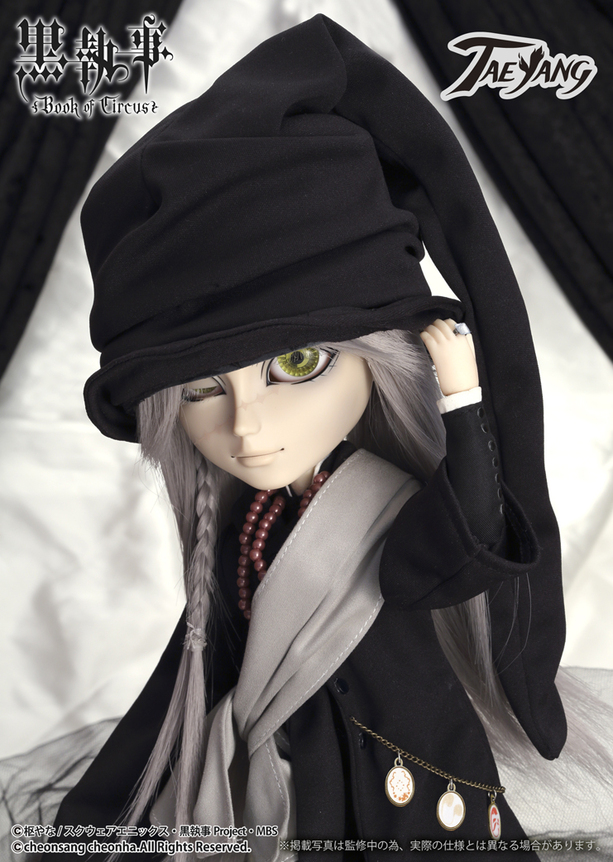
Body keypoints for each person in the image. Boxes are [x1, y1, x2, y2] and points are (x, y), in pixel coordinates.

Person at [48, 14, 568, 862]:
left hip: (403, 781)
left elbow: (455, 557)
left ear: (380, 359)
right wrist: (102, 814)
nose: (247, 426)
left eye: (295, 363)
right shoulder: (237, 529)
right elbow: (188, 675)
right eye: (201, 390)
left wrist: (465, 401)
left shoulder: (386, 507)